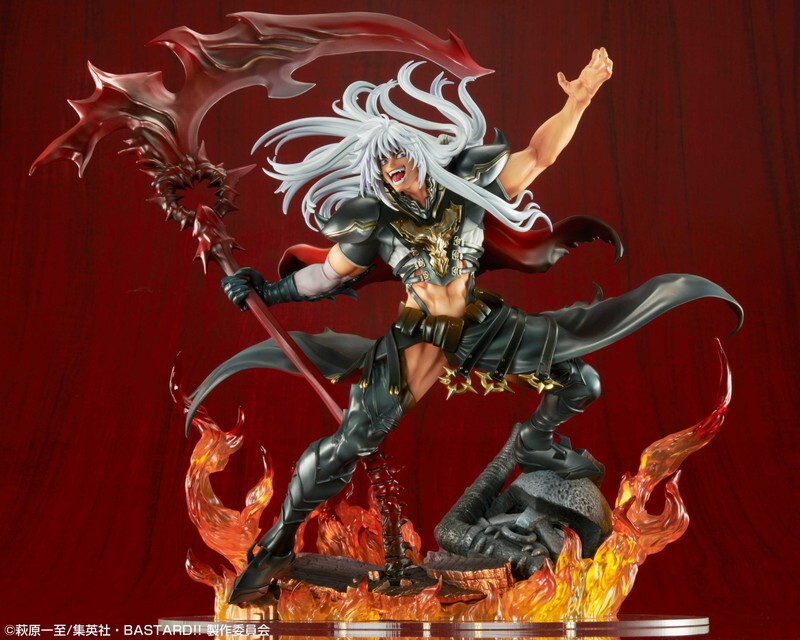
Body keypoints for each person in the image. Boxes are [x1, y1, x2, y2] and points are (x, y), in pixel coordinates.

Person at [187, 50, 741, 604]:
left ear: (416, 152)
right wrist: (268, 291)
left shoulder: (467, 189)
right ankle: (275, 547)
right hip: (420, 336)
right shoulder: (374, 221)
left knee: (581, 382)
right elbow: (326, 275)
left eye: (396, 154)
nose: (390, 167)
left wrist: (580, 99)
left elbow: (539, 156)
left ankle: (534, 439)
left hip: (480, 325)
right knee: (350, 442)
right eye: (381, 162)